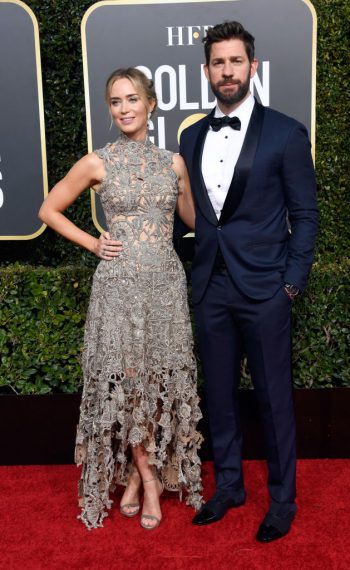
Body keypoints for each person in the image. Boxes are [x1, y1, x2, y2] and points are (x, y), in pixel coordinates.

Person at [39, 67, 203, 530]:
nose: (125, 108)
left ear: (151, 104)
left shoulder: (172, 163)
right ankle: (150, 479)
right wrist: (93, 243)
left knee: (154, 385)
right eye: (116, 101)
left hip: (165, 287)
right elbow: (48, 209)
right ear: (110, 110)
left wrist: (192, 187)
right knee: (130, 384)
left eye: (133, 99)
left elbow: (191, 220)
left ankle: (135, 473)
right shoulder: (97, 162)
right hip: (119, 289)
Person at [179, 21, 318, 542]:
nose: (227, 71)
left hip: (266, 290)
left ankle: (282, 499)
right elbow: (189, 216)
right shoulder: (190, 136)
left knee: (273, 399)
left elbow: (306, 214)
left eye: (236, 61)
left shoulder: (285, 131)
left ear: (252, 66)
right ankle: (230, 486)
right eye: (218, 63)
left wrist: (291, 284)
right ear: (207, 70)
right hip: (212, 286)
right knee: (218, 395)